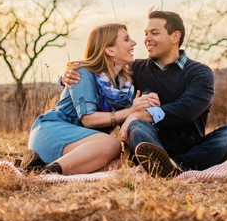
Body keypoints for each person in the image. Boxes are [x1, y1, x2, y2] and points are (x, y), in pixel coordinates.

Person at [63, 10, 227, 178]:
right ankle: (161, 163)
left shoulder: (200, 72)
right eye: (145, 33)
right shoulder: (133, 70)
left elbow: (186, 109)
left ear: (175, 36)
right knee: (138, 126)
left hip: (190, 144)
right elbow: (99, 76)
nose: (146, 39)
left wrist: (137, 115)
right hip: (148, 140)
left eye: (154, 33)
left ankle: (173, 165)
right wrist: (68, 75)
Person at [23, 23, 160, 175]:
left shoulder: (125, 84)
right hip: (54, 133)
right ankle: (46, 173)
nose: (134, 43)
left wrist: (146, 104)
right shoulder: (82, 73)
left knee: (124, 160)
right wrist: (130, 111)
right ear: (109, 50)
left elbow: (134, 110)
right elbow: (88, 119)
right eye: (127, 39)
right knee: (113, 145)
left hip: (88, 144)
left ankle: (40, 167)